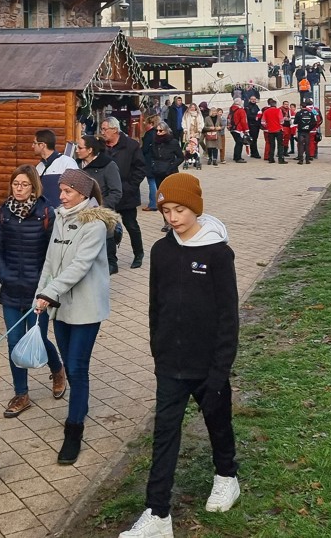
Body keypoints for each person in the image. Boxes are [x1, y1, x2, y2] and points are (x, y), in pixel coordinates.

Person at [119, 173, 240, 538]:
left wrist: (220, 370)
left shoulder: (217, 252)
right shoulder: (162, 250)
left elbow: (228, 316)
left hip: (208, 366)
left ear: (196, 208)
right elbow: (157, 304)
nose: (173, 217)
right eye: (166, 210)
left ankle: (226, 476)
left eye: (180, 210)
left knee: (218, 423)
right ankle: (157, 515)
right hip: (170, 365)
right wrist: (158, 350)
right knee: (164, 435)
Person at [35, 168, 118, 465]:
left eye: (68, 191)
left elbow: (80, 266)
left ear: (83, 193)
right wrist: (40, 293)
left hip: (85, 308)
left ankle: (74, 430)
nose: (62, 196)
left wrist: (50, 291)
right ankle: (79, 406)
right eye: (61, 190)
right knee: (70, 368)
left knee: (77, 367)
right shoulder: (61, 216)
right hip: (60, 306)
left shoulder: (93, 224)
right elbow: (50, 261)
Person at [0, 165, 66, 418]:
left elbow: (53, 255)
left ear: (34, 187)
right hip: (11, 288)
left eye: (24, 185)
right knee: (14, 342)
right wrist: (4, 276)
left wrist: (45, 288)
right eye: (15, 184)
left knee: (39, 338)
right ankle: (21, 394)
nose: (19, 189)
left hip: (38, 291)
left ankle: (57, 370)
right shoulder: (4, 212)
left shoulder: (46, 213)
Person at [100, 116, 148, 268]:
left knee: (131, 225)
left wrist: (130, 186)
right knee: (110, 228)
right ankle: (112, 261)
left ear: (115, 130)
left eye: (104, 129)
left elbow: (140, 168)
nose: (102, 132)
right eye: (102, 129)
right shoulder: (102, 147)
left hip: (127, 194)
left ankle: (138, 254)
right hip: (108, 196)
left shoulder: (131, 145)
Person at [77, 135, 124, 275]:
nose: (77, 151)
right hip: (80, 215)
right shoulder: (76, 165)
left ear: (90, 150)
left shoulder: (108, 165)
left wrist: (98, 208)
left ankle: (111, 263)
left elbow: (116, 192)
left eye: (80, 148)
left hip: (101, 216)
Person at [33, 129, 78, 208]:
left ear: (42, 145)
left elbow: (76, 189)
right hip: (44, 214)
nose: (32, 146)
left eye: (34, 143)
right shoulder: (39, 167)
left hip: (62, 214)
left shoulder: (67, 163)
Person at [149, 120, 184, 185]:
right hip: (158, 172)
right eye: (157, 130)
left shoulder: (173, 142)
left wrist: (172, 166)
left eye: (160, 131)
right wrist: (153, 164)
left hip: (170, 172)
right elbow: (151, 155)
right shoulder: (154, 142)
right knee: (160, 192)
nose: (158, 133)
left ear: (166, 131)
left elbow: (181, 157)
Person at [140, 114, 161, 211]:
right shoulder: (159, 132)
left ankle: (153, 204)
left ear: (151, 123)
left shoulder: (149, 134)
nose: (144, 124)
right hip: (158, 160)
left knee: (151, 181)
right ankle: (159, 201)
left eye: (146, 123)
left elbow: (144, 149)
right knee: (157, 182)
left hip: (150, 160)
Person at [258, 97, 285, 163]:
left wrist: (267, 125)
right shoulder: (278, 110)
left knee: (271, 145)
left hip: (270, 130)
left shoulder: (266, 111)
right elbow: (281, 121)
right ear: (275, 105)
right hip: (278, 130)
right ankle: (281, 159)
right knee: (280, 145)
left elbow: (263, 122)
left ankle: (271, 158)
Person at [228, 99, 249, 163]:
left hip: (232, 128)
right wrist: (246, 129)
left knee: (237, 143)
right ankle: (238, 158)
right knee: (239, 143)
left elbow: (228, 119)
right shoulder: (241, 110)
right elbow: (243, 121)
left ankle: (236, 156)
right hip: (238, 129)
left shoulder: (231, 110)